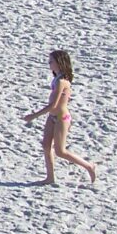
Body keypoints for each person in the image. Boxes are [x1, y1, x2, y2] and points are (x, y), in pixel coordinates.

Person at [22, 50, 97, 185]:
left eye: (51, 61)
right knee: (46, 145)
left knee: (60, 151)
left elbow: (53, 105)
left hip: (62, 117)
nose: (49, 64)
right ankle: (50, 177)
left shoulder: (62, 81)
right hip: (52, 117)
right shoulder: (57, 78)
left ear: (59, 63)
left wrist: (33, 116)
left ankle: (89, 166)